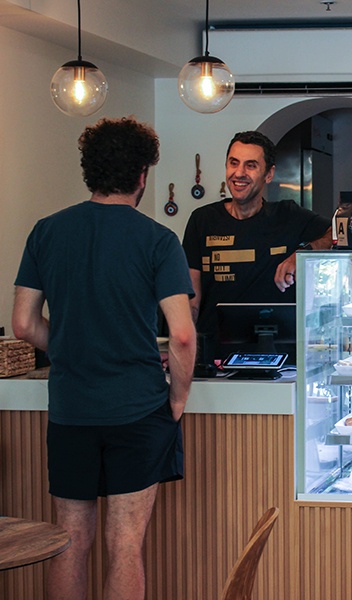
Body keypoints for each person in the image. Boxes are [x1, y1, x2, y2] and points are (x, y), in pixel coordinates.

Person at [12, 117, 196, 600]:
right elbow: (181, 335)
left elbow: (24, 325)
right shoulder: (158, 240)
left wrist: (71, 343)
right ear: (142, 175)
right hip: (137, 408)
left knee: (69, 542)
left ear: (89, 171)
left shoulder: (46, 232)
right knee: (125, 546)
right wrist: (177, 400)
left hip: (71, 408)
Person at [181, 130, 332, 344]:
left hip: (278, 356)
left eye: (250, 165)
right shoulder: (202, 220)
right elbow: (191, 300)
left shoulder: (288, 215)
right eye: (234, 163)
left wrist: (303, 254)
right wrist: (183, 345)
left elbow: (337, 231)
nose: (239, 173)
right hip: (214, 358)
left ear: (269, 174)